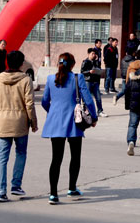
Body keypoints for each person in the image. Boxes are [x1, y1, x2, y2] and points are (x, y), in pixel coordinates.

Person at [41, 53, 98, 205]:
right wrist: (93, 117)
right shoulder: (77, 78)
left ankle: (53, 194)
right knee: (75, 156)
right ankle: (72, 188)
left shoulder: (50, 79)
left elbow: (45, 101)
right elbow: (88, 99)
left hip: (55, 123)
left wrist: (53, 112)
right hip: (74, 122)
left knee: (56, 158)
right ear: (73, 64)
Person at [0, 51, 38, 202]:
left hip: (3, 121)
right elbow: (29, 104)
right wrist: (33, 122)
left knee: (1, 157)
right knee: (21, 153)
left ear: (7, 62)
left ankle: (0, 191)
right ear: (22, 64)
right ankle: (16, 185)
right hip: (20, 122)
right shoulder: (26, 80)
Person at [81, 48, 107, 117]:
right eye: (92, 54)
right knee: (87, 97)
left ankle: (100, 111)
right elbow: (82, 72)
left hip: (95, 82)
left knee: (98, 97)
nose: (94, 55)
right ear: (88, 54)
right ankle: (86, 111)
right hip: (88, 81)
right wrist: (89, 71)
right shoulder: (85, 62)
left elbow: (98, 69)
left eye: (94, 54)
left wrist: (100, 71)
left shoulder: (96, 62)